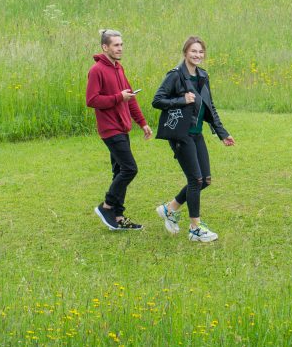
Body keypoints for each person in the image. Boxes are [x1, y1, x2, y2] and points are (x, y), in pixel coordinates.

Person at [152, 36, 235, 242]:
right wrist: (182, 100)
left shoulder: (203, 76)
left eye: (200, 52)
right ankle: (195, 228)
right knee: (195, 180)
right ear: (185, 53)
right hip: (181, 134)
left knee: (205, 180)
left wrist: (222, 133)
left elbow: (210, 107)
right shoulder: (175, 76)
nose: (197, 55)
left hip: (197, 134)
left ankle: (170, 208)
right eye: (193, 51)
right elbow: (157, 100)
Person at [86, 29, 152, 231]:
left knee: (119, 171)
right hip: (110, 129)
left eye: (121, 44)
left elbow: (130, 98)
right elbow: (92, 100)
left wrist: (142, 123)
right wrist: (118, 98)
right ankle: (106, 207)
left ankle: (118, 217)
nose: (120, 48)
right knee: (130, 169)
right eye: (116, 45)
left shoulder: (119, 69)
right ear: (105, 47)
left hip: (123, 127)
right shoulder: (96, 70)